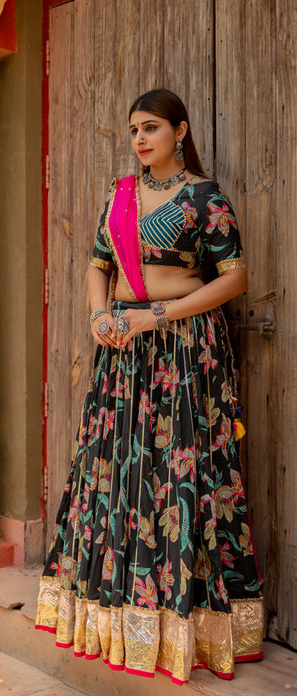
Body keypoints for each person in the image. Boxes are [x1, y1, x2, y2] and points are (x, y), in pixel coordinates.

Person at [35, 89, 263, 685]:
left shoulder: (203, 198)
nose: (140, 138)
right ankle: (120, 619)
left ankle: (190, 623)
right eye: (134, 129)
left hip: (182, 349)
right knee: (118, 476)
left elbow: (235, 278)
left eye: (152, 127)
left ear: (180, 131)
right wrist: (98, 315)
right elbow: (96, 263)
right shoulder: (121, 194)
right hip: (122, 354)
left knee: (180, 478)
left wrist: (159, 315)